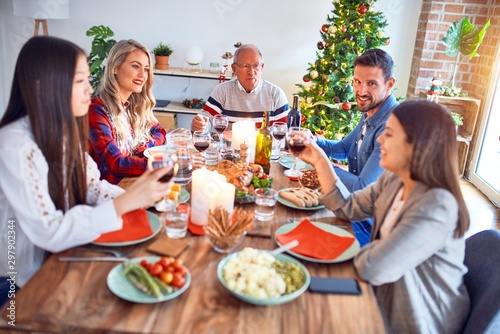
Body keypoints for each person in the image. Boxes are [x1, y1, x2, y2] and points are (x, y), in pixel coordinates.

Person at [0, 36, 172, 306]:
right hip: (18, 283)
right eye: (79, 81)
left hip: (61, 257)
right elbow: (50, 232)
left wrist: (141, 198)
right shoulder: (14, 145)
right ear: (44, 86)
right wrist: (124, 202)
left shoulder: (60, 129)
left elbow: (93, 185)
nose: (88, 90)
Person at [294, 99, 470, 333]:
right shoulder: (395, 179)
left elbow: (374, 268)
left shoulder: (437, 207)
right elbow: (347, 207)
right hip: (381, 292)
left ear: (415, 145)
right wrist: (319, 160)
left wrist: (369, 247)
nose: (379, 140)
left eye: (389, 133)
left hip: (413, 319)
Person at [316, 48, 398, 192]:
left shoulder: (392, 128)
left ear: (389, 84)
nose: (361, 91)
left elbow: (362, 188)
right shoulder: (371, 110)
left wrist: (320, 164)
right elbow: (344, 148)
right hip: (356, 206)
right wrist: (312, 141)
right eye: (357, 82)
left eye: (371, 84)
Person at [191, 44, 289, 131]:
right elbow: (207, 119)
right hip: (230, 150)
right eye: (245, 66)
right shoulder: (223, 91)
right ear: (234, 69)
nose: (251, 72)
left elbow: (284, 131)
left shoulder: (276, 94)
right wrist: (200, 125)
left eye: (256, 66)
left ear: (262, 67)